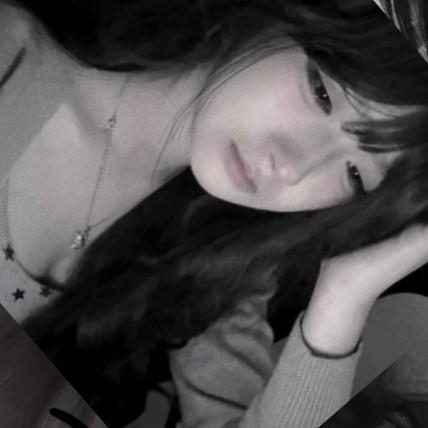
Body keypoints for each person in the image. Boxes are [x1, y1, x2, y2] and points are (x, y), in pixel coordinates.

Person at [0, 0, 428, 426]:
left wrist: (343, 299)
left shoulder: (222, 268)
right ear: (286, 18)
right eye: (322, 93)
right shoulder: (14, 58)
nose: (292, 168)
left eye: (355, 175)